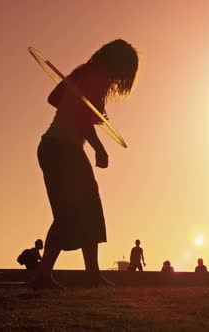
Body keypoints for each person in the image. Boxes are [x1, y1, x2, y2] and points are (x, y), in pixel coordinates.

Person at [34, 39, 139, 289]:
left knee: (85, 208)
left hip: (59, 148)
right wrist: (98, 146)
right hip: (61, 149)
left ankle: (82, 273)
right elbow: (65, 106)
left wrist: (87, 111)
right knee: (74, 211)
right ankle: (46, 276)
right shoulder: (93, 75)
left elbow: (61, 102)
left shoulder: (87, 73)